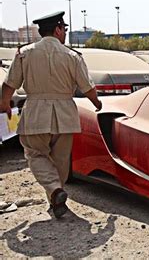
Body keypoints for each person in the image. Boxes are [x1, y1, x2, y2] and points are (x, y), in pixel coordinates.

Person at [0, 11, 102, 218]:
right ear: (57, 29)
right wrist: (97, 103)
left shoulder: (24, 53)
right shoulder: (72, 56)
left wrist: (4, 104)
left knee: (35, 154)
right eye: (64, 29)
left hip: (36, 112)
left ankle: (55, 191)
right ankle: (56, 200)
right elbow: (87, 87)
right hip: (65, 115)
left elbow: (9, 84)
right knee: (61, 160)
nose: (65, 33)